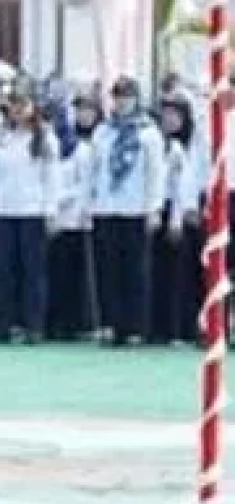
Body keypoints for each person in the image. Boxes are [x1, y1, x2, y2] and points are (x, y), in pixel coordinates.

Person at [90, 76, 165, 346]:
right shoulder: (103, 131)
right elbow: (94, 170)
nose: (122, 102)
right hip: (106, 207)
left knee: (134, 270)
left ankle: (135, 327)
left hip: (135, 208)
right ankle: (110, 324)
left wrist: (153, 208)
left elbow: (155, 173)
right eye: (118, 97)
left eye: (127, 97)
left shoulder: (149, 133)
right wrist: (91, 203)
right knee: (107, 269)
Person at [0, 83, 58, 343]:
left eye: (22, 104)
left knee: (32, 272)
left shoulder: (44, 138)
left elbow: (51, 177)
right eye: (13, 104)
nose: (17, 110)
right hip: (4, 209)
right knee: (5, 271)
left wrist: (50, 210)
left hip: (32, 210)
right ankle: (3, 325)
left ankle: (33, 325)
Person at [47, 93, 101, 342]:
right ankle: (54, 321)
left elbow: (85, 185)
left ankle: (78, 322)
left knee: (77, 274)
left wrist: (71, 205)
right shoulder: (48, 145)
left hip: (76, 219)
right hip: (51, 218)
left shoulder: (84, 148)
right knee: (55, 272)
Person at [150, 94, 202, 345]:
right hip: (157, 208)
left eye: (174, 115)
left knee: (182, 274)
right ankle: (158, 326)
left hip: (180, 210)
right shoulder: (157, 142)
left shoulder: (189, 145)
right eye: (165, 115)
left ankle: (181, 326)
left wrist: (177, 217)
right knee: (158, 272)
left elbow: (185, 183)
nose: (169, 120)